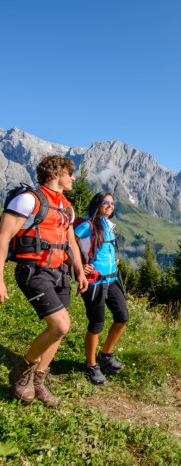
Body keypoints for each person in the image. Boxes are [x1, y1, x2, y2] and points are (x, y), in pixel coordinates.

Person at [0, 155, 88, 407]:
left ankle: (38, 380)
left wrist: (79, 272)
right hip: (33, 271)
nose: (73, 177)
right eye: (69, 172)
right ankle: (22, 370)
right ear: (56, 172)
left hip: (59, 272)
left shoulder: (67, 207)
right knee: (60, 325)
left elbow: (70, 243)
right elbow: (3, 237)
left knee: (59, 330)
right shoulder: (28, 200)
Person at [74, 192, 128, 386]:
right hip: (95, 282)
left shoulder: (108, 225)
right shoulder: (87, 225)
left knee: (122, 317)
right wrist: (78, 265)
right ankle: (91, 365)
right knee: (96, 324)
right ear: (97, 204)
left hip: (113, 279)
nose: (110, 205)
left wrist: (114, 261)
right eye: (106, 202)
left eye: (112, 203)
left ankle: (105, 355)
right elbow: (67, 243)